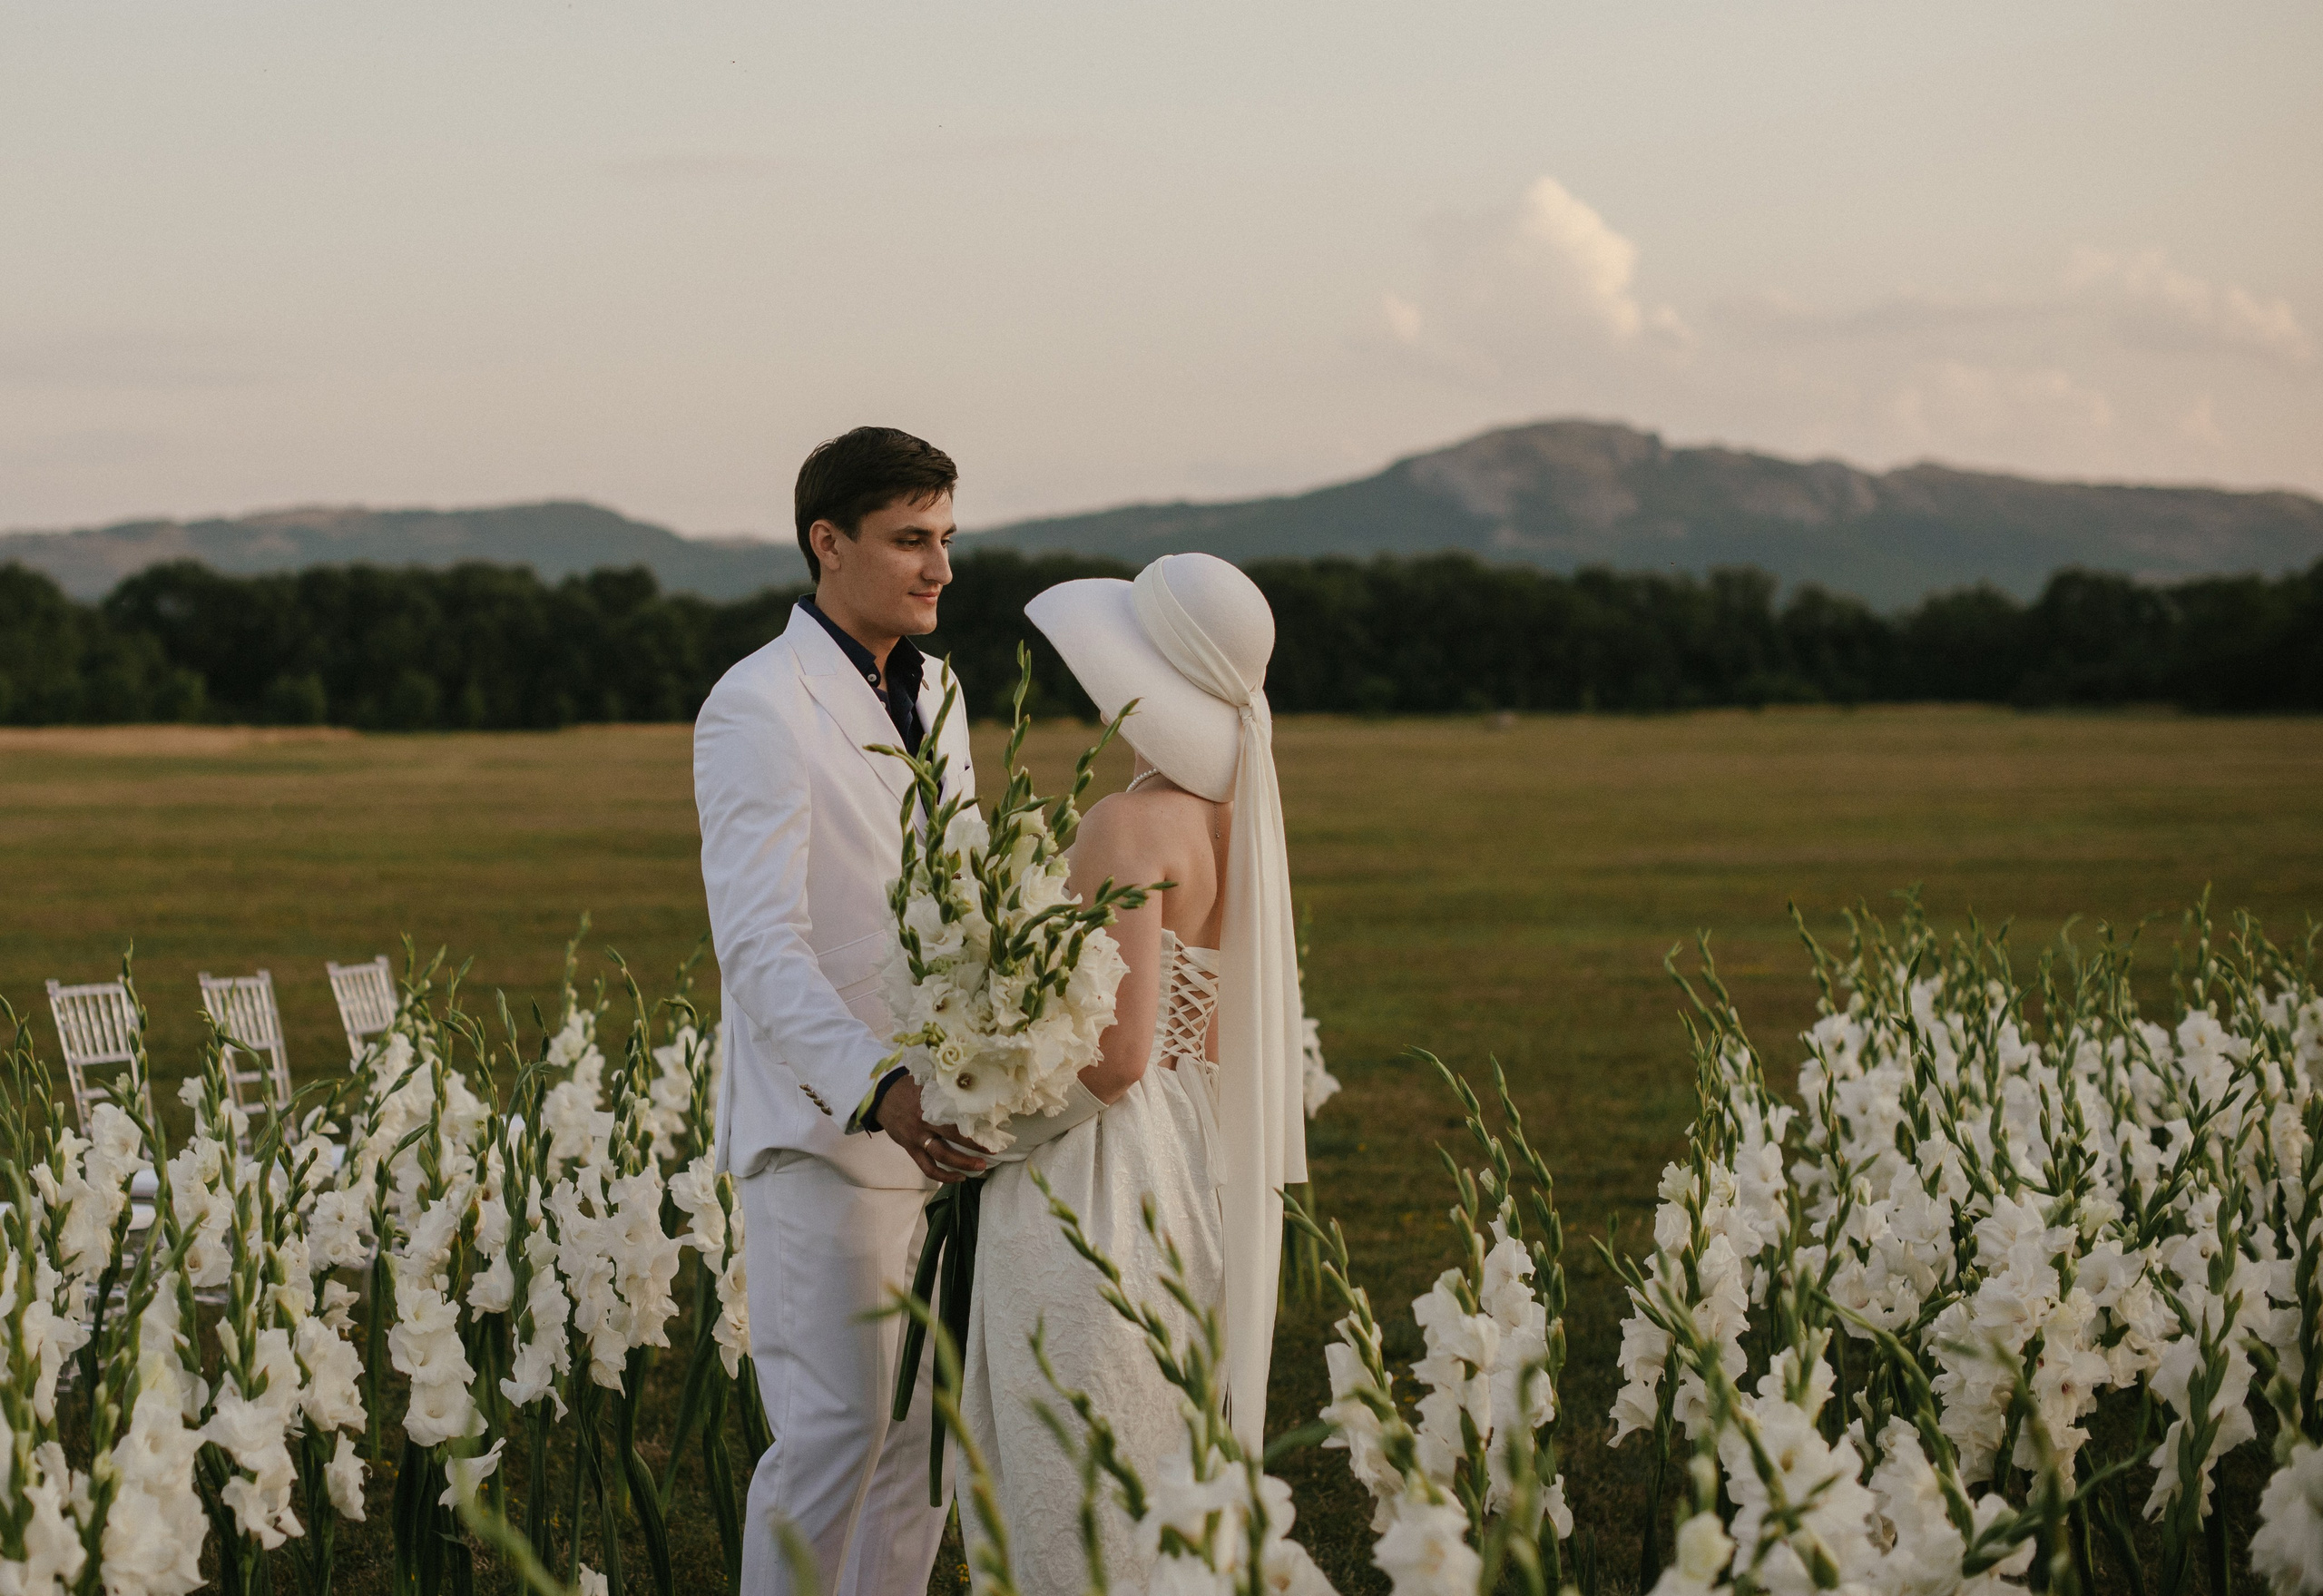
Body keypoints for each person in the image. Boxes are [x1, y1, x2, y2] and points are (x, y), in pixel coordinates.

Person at [950, 553, 1309, 1595]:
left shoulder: (1126, 824)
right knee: (1166, 1437)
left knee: (1073, 1453)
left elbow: (1114, 1054)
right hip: (1200, 1154)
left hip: (1108, 1171)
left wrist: (981, 1129)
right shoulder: (1241, 824)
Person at [693, 426, 986, 1596]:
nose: (939, 569)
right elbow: (761, 943)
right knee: (830, 1444)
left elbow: (960, 892)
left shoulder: (945, 689)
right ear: (828, 543)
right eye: (910, 540)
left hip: (953, 1120)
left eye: (947, 540)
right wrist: (881, 1085)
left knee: (922, 1453)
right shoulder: (758, 704)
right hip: (825, 1131)